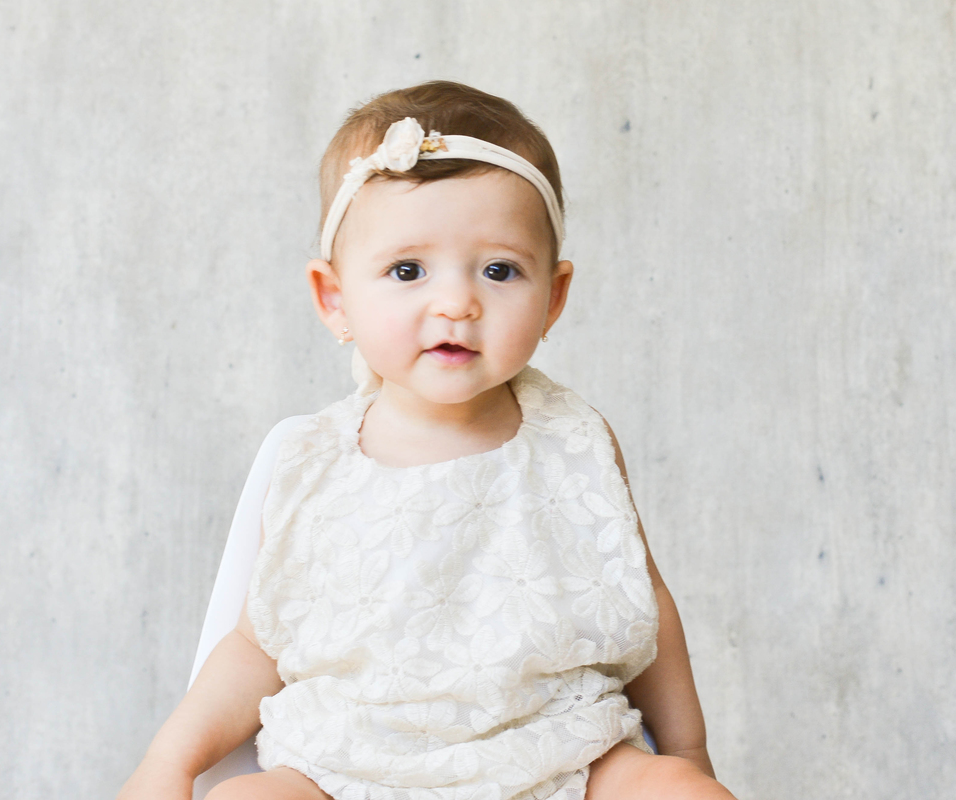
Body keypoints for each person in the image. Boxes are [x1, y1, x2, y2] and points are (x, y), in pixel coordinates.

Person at [119, 81, 736, 800]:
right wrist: (171, 762)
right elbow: (259, 643)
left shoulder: (574, 439)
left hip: (559, 755)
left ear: (554, 297)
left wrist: (687, 751)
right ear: (335, 298)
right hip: (347, 769)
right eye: (408, 270)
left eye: (499, 270)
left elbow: (641, 600)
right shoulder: (313, 461)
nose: (456, 302)